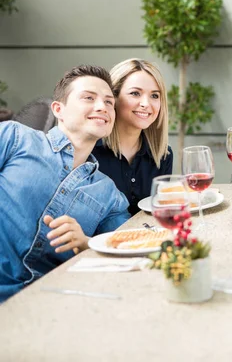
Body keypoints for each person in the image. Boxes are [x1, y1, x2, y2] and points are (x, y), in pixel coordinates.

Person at [0, 65, 130, 303]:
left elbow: (122, 253)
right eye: (89, 98)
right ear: (59, 109)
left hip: (55, 305)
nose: (102, 107)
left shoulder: (110, 195)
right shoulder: (13, 138)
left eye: (109, 102)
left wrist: (85, 243)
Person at [93, 58, 172, 215]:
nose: (146, 103)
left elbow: (157, 215)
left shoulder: (162, 155)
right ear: (113, 97)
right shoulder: (90, 153)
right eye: (135, 93)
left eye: (155, 96)